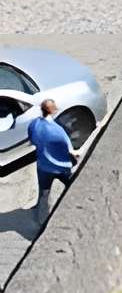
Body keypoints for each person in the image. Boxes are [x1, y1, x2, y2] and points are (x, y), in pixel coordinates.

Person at [28, 97, 77, 234]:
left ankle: (41, 222)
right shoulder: (58, 131)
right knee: (72, 187)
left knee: (44, 194)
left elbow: (32, 141)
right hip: (62, 168)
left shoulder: (34, 125)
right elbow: (72, 151)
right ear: (53, 111)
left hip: (43, 167)